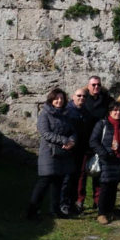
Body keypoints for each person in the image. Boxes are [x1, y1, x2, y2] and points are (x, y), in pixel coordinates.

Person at [27, 88, 77, 220]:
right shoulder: (45, 114)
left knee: (58, 182)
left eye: (61, 98)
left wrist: (72, 140)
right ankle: (32, 211)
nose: (59, 101)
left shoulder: (66, 114)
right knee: (45, 181)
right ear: (51, 100)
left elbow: (72, 130)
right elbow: (45, 133)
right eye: (57, 98)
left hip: (63, 152)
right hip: (49, 153)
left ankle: (54, 210)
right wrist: (64, 140)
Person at [77, 76, 112, 212]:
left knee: (99, 172)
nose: (96, 87)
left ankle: (98, 201)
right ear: (88, 86)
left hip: (99, 141)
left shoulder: (106, 99)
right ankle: (80, 200)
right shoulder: (84, 99)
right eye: (93, 85)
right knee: (82, 174)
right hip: (84, 141)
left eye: (98, 85)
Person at [90, 101, 120, 224]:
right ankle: (102, 213)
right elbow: (93, 141)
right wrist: (103, 153)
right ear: (110, 112)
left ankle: (110, 211)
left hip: (117, 159)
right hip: (105, 159)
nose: (118, 112)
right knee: (105, 186)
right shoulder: (102, 124)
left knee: (113, 186)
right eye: (115, 110)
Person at [61, 88, 88, 214]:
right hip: (69, 149)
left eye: (84, 96)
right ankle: (64, 204)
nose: (81, 98)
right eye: (79, 96)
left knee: (77, 177)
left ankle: (72, 204)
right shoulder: (66, 111)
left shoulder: (85, 112)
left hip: (81, 149)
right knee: (67, 178)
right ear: (73, 96)